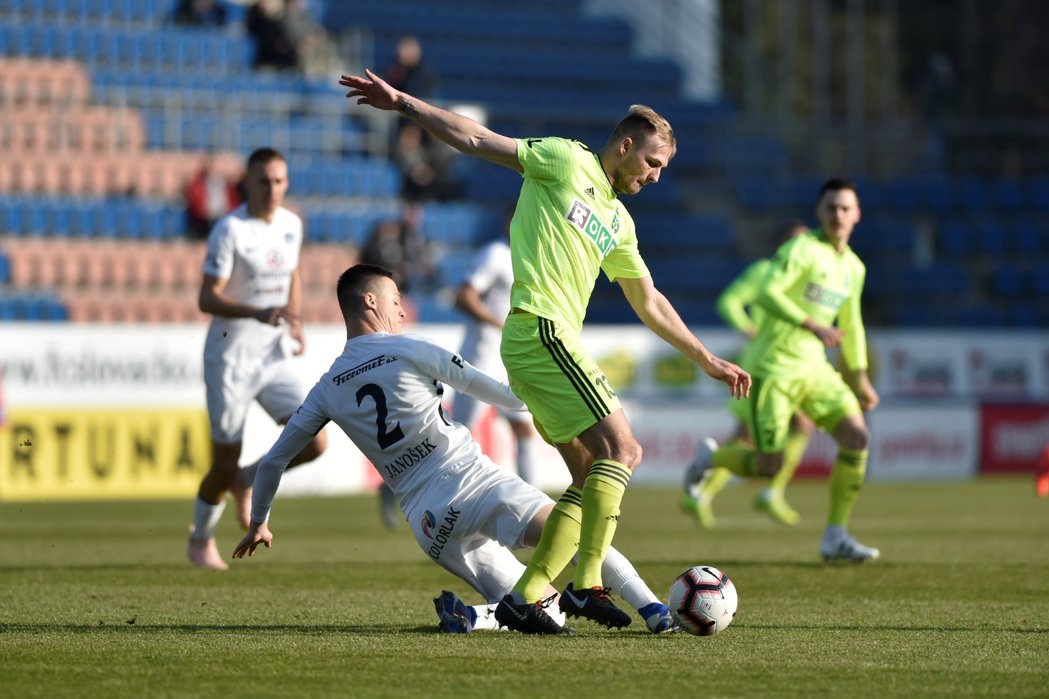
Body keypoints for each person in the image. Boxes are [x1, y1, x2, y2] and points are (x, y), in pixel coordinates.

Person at [338, 68, 750, 633]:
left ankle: (525, 597)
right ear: (625, 146)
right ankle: (585, 586)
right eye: (652, 163)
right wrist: (404, 103)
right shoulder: (565, 160)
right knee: (624, 450)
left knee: (586, 476)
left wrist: (706, 359)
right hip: (541, 330)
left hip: (543, 345)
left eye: (663, 170)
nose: (655, 177)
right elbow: (479, 140)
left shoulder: (619, 222)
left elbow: (648, 299)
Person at [232, 264, 678, 636]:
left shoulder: (327, 387)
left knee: (531, 610)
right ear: (370, 302)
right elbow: (506, 396)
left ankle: (471, 617)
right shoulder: (410, 349)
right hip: (474, 481)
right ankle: (656, 612)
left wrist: (259, 522)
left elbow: (273, 460)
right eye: (394, 300)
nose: (402, 310)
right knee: (576, 541)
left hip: (429, 522)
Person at [687, 179, 880, 562]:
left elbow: (852, 323)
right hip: (774, 371)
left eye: (845, 208)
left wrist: (859, 380)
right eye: (831, 208)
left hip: (816, 371)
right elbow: (766, 293)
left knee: (857, 437)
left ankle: (835, 536)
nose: (838, 215)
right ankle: (711, 460)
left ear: (857, 214)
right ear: (819, 212)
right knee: (767, 463)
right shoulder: (802, 249)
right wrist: (811, 324)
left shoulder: (853, 267)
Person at [188, 147, 328, 570]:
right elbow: (206, 297)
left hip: (273, 357)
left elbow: (292, 274)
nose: (273, 189)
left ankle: (247, 479)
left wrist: (296, 321)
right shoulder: (229, 231)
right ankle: (200, 538)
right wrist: (256, 311)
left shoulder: (290, 224)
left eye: (280, 181)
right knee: (221, 460)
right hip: (230, 359)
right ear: (246, 183)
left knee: (315, 439)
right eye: (264, 181)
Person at [681, 221, 814, 529]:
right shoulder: (765, 271)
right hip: (765, 363)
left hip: (793, 364)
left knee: (801, 425)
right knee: (746, 435)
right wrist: (747, 327)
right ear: (782, 247)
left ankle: (769, 491)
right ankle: (708, 494)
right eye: (796, 241)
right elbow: (728, 301)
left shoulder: (806, 280)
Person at [451, 207, 538, 487]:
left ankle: (536, 502)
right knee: (456, 436)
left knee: (524, 426)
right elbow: (463, 297)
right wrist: (499, 324)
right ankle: (397, 487)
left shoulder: (527, 260)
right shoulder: (496, 255)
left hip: (507, 360)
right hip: (480, 356)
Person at [184, 155, 241, 240]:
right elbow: (195, 202)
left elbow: (233, 201)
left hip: (222, 216)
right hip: (204, 219)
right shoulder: (198, 183)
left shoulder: (226, 184)